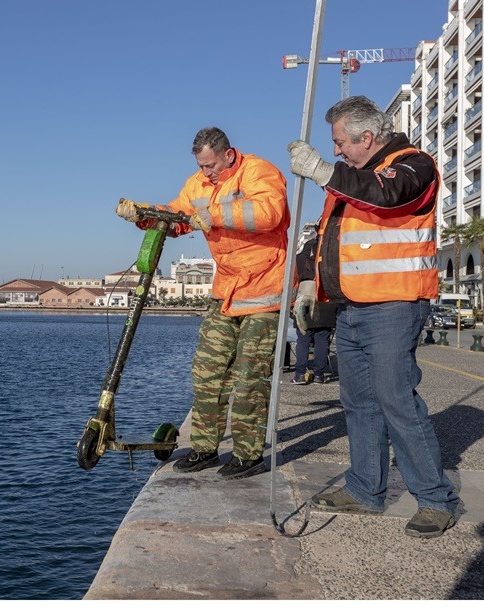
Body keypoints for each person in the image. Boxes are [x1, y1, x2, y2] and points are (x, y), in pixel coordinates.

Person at [287, 96, 459, 538]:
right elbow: (329, 238)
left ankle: (435, 500)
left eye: (341, 143)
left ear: (367, 137)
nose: (338, 151)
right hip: (351, 308)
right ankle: (365, 489)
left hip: (393, 305)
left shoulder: (414, 166)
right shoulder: (354, 181)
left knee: (396, 400)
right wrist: (310, 280)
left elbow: (389, 197)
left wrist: (323, 171)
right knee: (359, 403)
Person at [116, 127, 289, 480]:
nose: (206, 172)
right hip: (225, 292)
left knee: (250, 378)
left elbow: (270, 212)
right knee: (207, 373)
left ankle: (248, 455)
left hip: (264, 290)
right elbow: (177, 217)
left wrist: (215, 216)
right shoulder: (197, 184)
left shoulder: (258, 171)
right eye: (201, 166)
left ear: (228, 154)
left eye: (210, 165)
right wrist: (143, 214)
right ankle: (205, 448)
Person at [290, 223, 336, 386]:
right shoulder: (330, 249)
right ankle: (319, 374)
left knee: (303, 337)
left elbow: (294, 280)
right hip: (325, 297)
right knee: (322, 337)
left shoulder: (300, 254)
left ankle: (300, 373)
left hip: (303, 295)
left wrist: (292, 303)